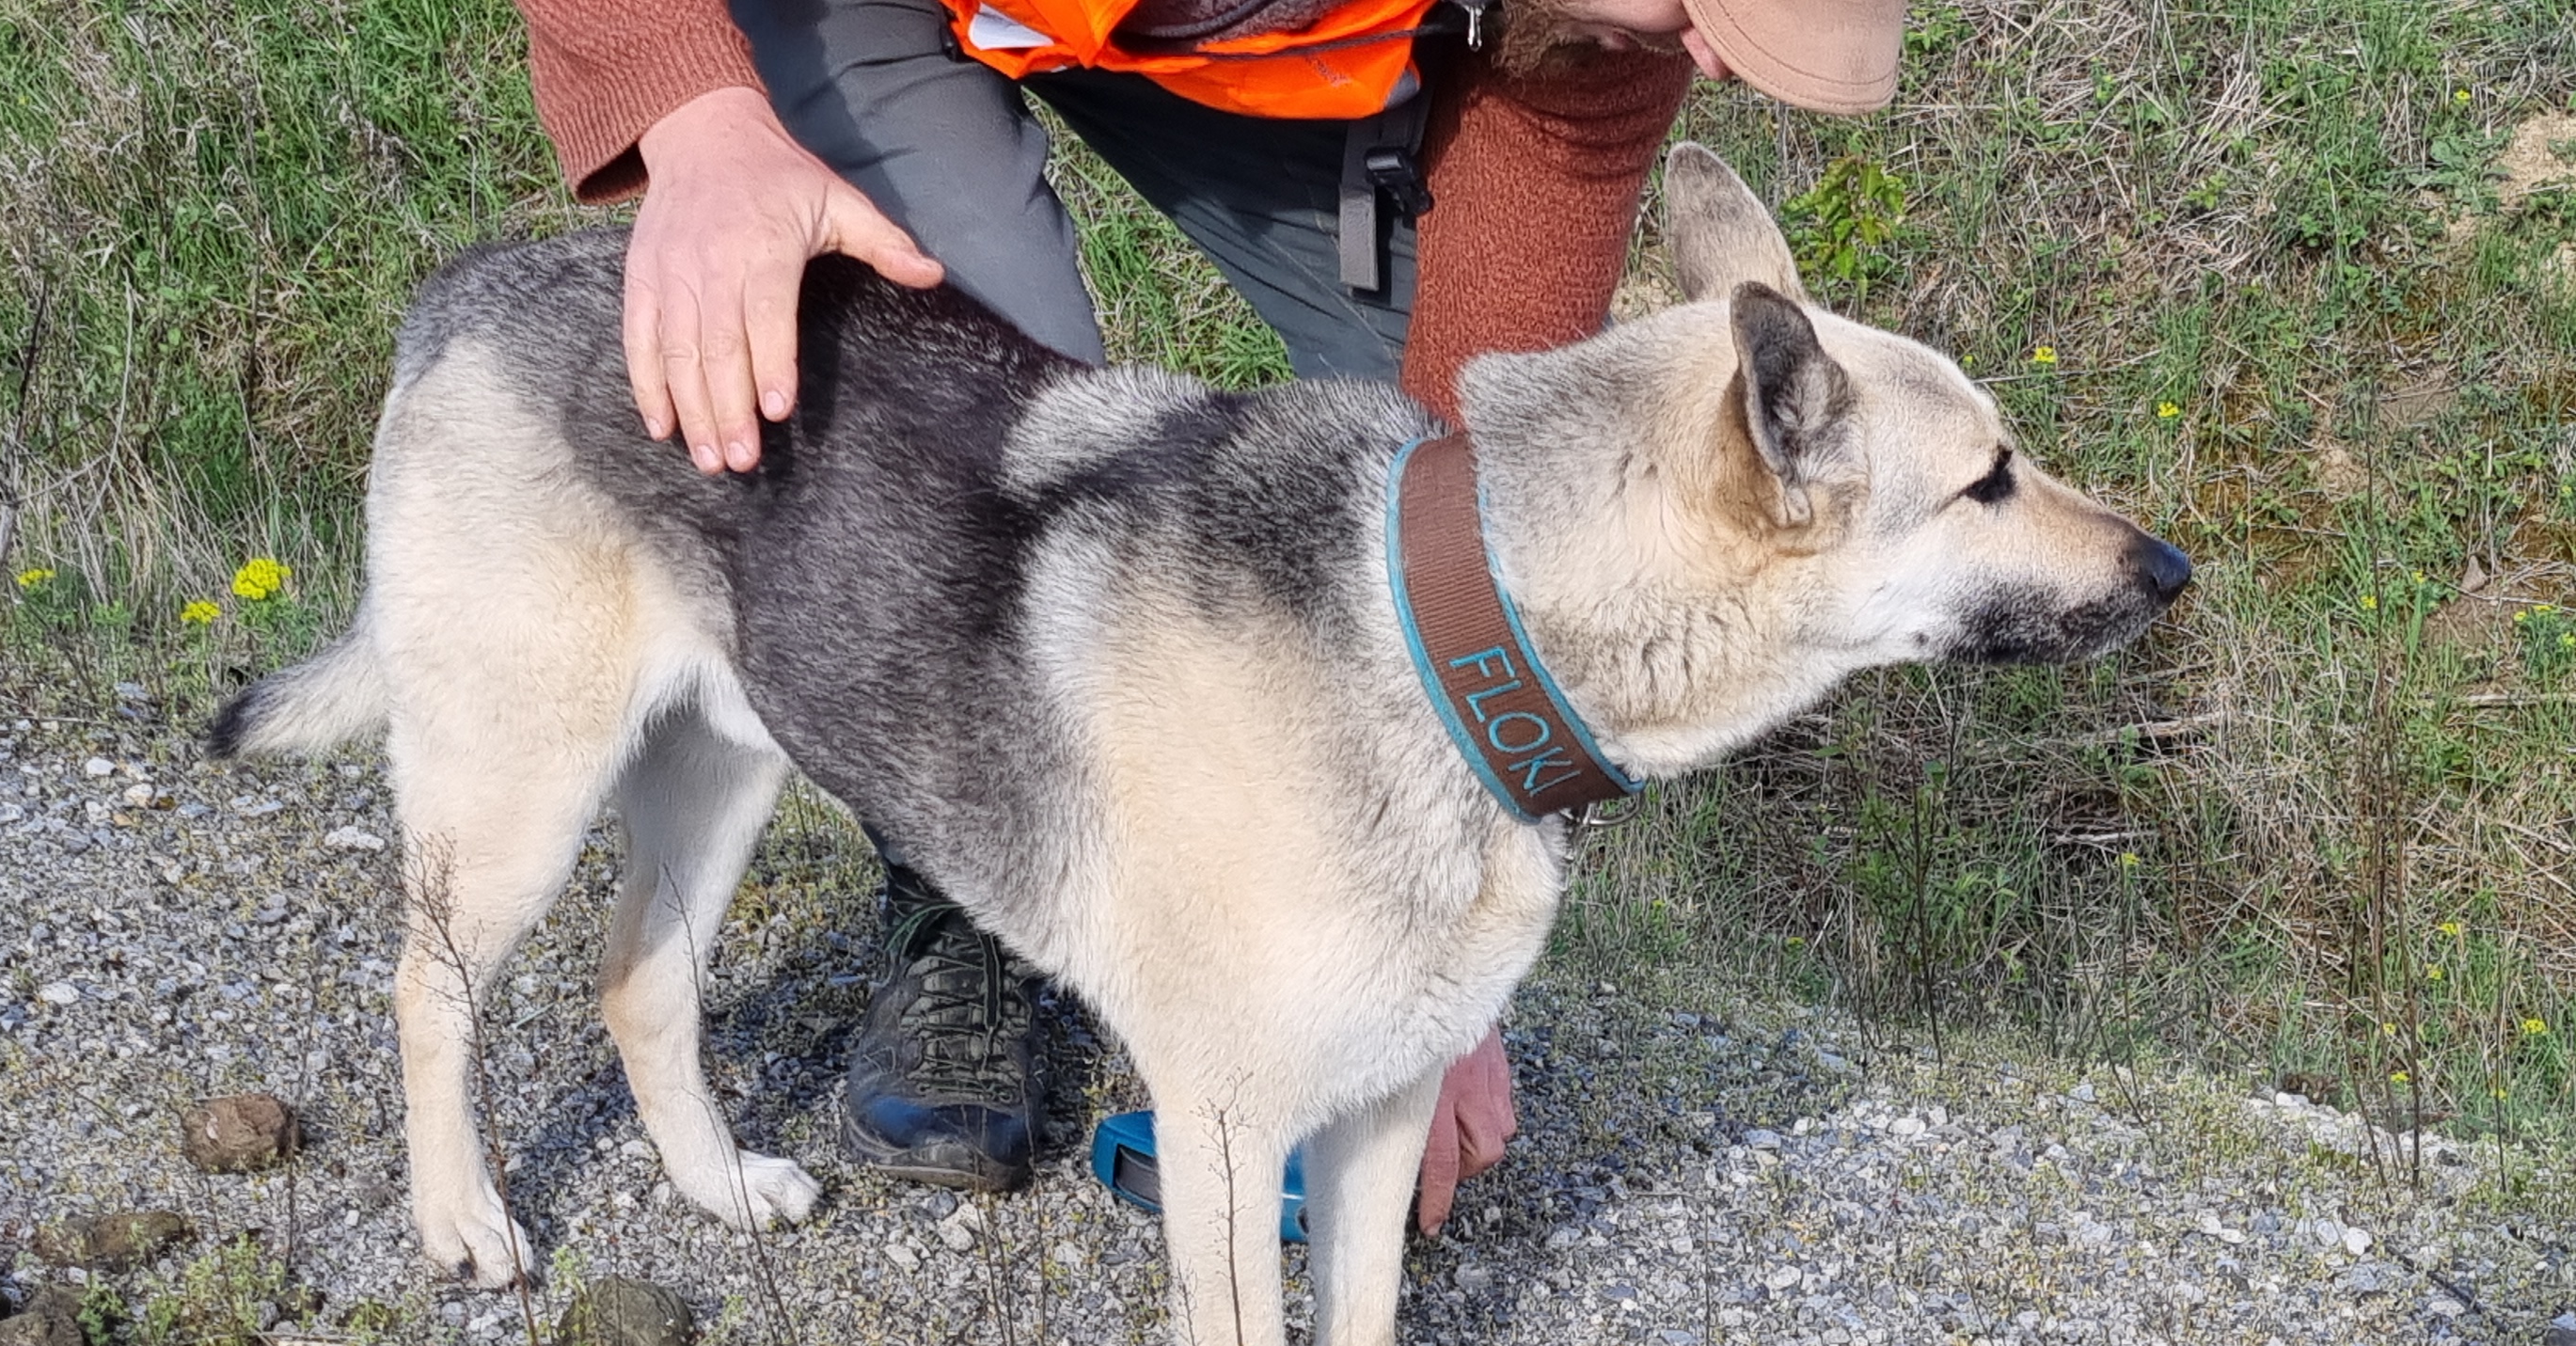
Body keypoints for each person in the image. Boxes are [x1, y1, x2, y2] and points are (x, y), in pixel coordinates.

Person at [506, 0, 1904, 1229]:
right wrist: (692, 113)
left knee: (1428, 482)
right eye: (1714, 3)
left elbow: (1475, 491)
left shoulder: (1615, 25)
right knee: (966, 425)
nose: (1718, 51)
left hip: (1249, 55)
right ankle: (963, 910)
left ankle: (1274, 919)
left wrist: (1439, 933)